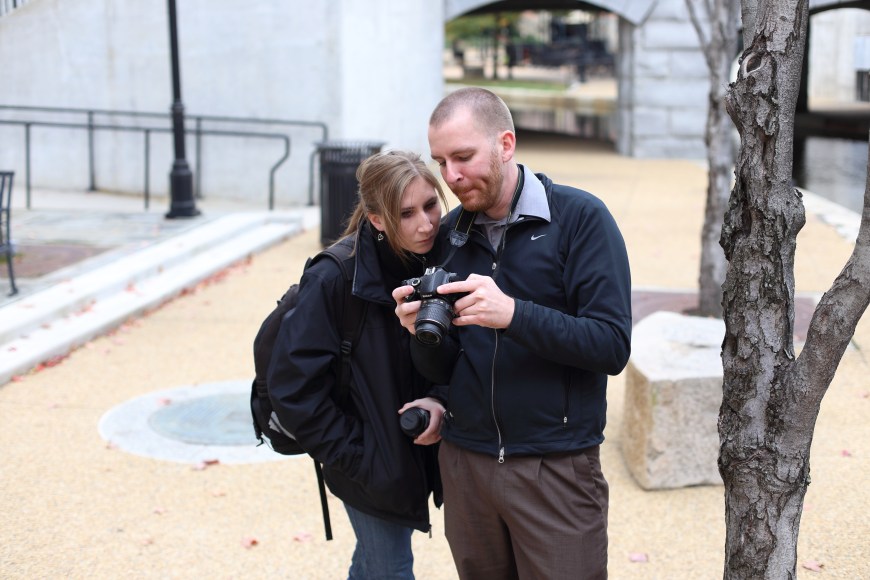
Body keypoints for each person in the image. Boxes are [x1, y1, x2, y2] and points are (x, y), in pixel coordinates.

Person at [394, 87, 632, 579]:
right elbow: (445, 365)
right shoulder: (450, 234)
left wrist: (515, 314)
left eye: (463, 157)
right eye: (441, 162)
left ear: (506, 144)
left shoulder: (582, 219)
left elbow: (611, 344)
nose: (452, 177)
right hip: (465, 464)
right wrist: (422, 337)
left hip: (556, 467)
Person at [268, 150, 449, 579]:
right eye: (406, 213)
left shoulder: (442, 256)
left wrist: (440, 400)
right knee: (391, 568)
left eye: (430, 204)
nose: (425, 223)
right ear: (377, 219)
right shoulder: (334, 278)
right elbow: (292, 389)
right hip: (366, 463)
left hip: (410, 453)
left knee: (372, 564)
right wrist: (359, 458)